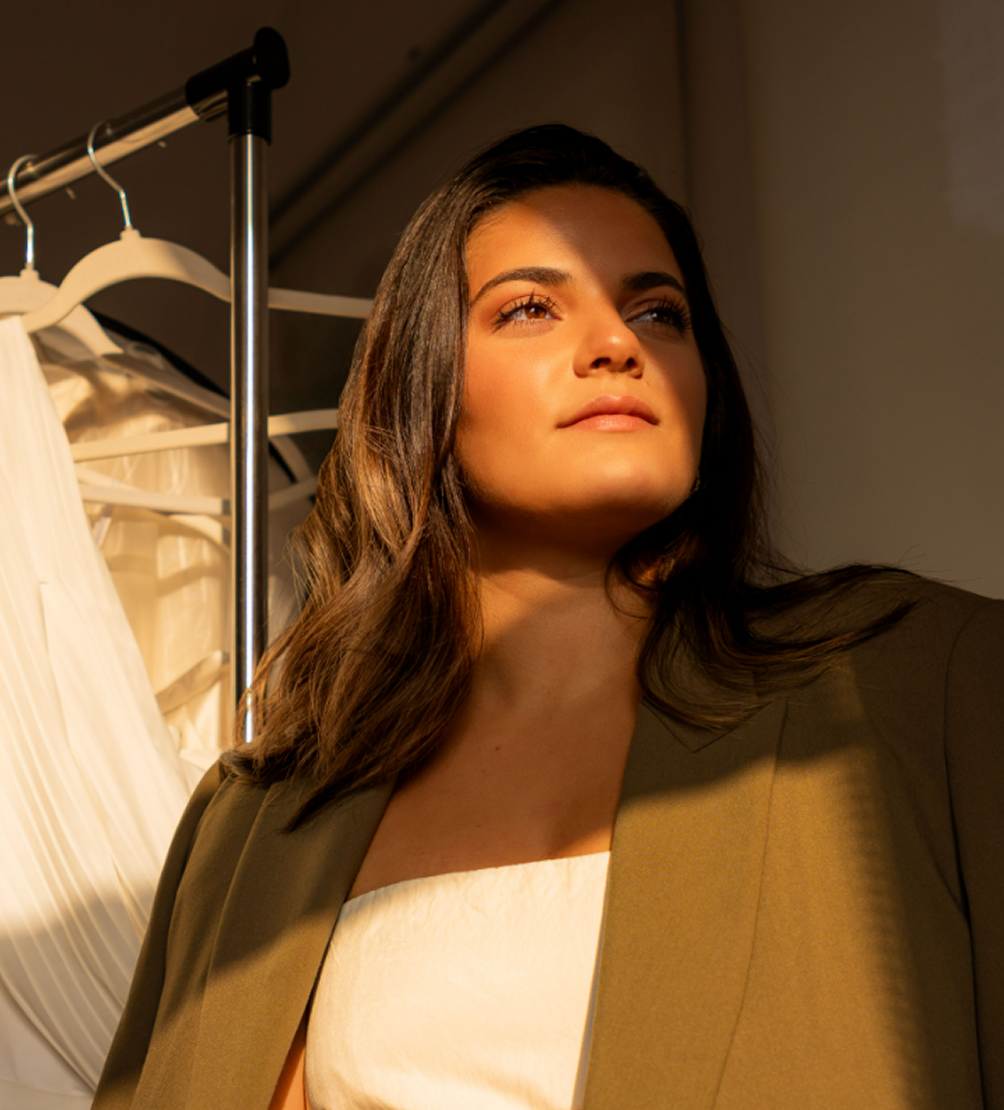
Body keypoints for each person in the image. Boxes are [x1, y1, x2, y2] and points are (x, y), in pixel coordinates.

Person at [92, 125, 1003, 1110]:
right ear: (421, 391)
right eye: (529, 307)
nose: (617, 344)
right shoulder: (254, 821)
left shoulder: (921, 680)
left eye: (658, 313)